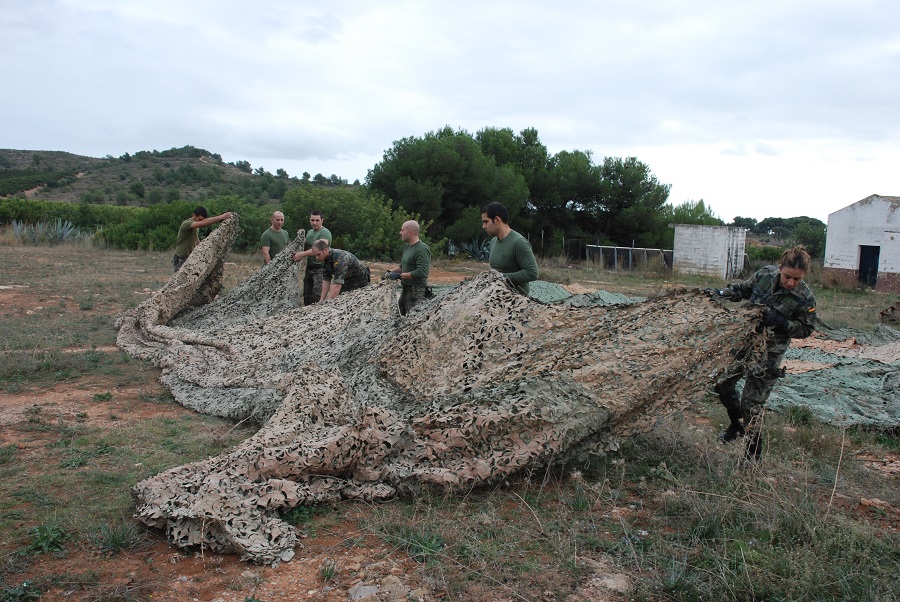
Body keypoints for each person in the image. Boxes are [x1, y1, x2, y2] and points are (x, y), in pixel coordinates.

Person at [709, 245, 817, 462]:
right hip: (745, 340)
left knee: (752, 403)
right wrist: (721, 293)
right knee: (722, 383)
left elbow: (806, 329)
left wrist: (783, 323)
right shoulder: (765, 275)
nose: (790, 283)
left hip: (770, 352)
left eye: (797, 279)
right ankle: (737, 426)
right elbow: (743, 290)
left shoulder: (805, 298)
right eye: (787, 277)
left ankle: (752, 454)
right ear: (780, 268)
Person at [481, 201, 539, 295]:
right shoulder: (493, 242)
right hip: (495, 297)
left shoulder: (519, 242)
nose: (483, 226)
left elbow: (532, 273)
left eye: (486, 222)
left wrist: (500, 276)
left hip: (516, 302)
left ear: (496, 219)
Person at [383, 220, 431, 316]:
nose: (400, 233)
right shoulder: (408, 248)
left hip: (416, 295)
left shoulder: (421, 249)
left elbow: (422, 272)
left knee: (413, 324)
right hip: (405, 292)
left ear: (410, 232)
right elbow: (402, 266)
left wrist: (399, 276)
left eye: (402, 230)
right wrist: (389, 272)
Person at [173, 207, 233, 272]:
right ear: (194, 215)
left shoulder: (196, 226)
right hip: (180, 257)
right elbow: (204, 223)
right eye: (199, 219)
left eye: (202, 220)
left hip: (189, 258)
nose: (201, 221)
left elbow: (195, 238)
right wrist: (221, 217)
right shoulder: (187, 223)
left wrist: (202, 249)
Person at [292, 210, 333, 305]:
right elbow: (304, 247)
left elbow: (318, 249)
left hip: (321, 268)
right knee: (306, 295)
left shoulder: (325, 233)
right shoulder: (310, 232)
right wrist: (300, 237)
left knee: (316, 297)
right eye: (312, 220)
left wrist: (301, 254)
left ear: (322, 220)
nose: (314, 223)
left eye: (317, 220)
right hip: (309, 267)